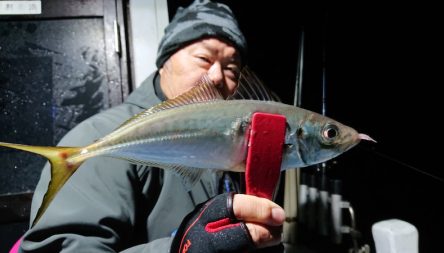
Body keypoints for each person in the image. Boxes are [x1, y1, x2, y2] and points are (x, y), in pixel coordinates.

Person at [19, 0, 285, 252]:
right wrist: (178, 248)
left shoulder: (230, 141)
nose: (216, 76)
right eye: (204, 59)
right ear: (164, 64)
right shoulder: (96, 135)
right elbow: (63, 245)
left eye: (231, 70)